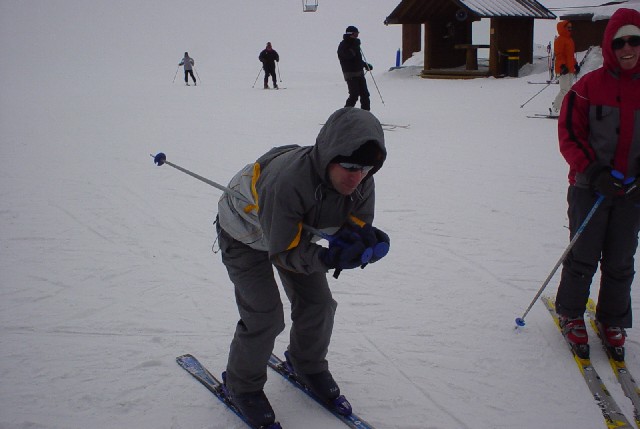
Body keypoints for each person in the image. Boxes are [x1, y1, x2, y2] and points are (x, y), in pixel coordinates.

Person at [216, 107, 389, 427]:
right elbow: (284, 252)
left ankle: (306, 364)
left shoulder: (362, 181)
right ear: (330, 155)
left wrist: (361, 240)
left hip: (293, 235)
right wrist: (328, 258)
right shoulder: (287, 183)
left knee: (319, 305)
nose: (357, 177)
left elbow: (356, 221)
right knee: (264, 315)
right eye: (350, 166)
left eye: (366, 168)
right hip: (244, 235)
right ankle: (242, 385)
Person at [554, 8, 640, 355]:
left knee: (621, 258)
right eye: (619, 42)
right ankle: (571, 312)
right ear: (609, 46)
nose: (627, 48)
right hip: (590, 189)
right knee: (584, 254)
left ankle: (612, 318)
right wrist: (594, 172)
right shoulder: (588, 87)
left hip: (631, 191)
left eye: (634, 40)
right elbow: (569, 136)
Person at [338, 26, 372, 111]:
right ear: (350, 34)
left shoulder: (355, 44)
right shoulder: (343, 45)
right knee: (354, 95)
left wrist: (365, 65)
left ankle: (366, 113)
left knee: (365, 94)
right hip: (350, 74)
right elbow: (348, 56)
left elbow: (357, 59)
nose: (357, 36)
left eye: (358, 34)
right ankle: (345, 114)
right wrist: (354, 47)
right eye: (355, 34)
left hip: (359, 73)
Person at [551, 21, 579, 114]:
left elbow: (571, 55)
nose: (570, 29)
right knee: (564, 89)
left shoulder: (570, 40)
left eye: (571, 27)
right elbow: (559, 55)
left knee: (570, 90)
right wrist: (562, 66)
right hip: (563, 69)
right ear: (563, 28)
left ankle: (566, 108)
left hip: (570, 68)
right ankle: (555, 108)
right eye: (568, 27)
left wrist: (575, 64)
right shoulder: (559, 40)